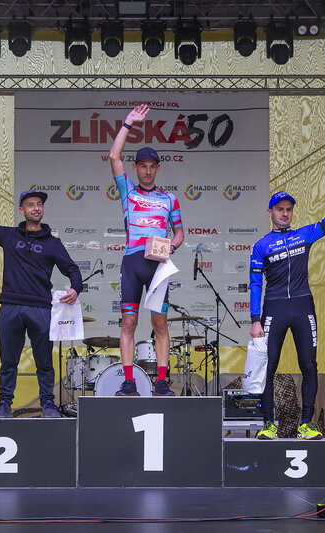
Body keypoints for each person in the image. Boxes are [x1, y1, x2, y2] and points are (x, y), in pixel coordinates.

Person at [250, 161, 325, 440]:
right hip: (274, 307)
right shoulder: (261, 246)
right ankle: (269, 424)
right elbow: (255, 283)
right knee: (268, 367)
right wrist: (255, 319)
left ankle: (306, 424)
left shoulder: (305, 234)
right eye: (280, 209)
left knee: (309, 366)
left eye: (289, 209)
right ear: (270, 213)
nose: (285, 213)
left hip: (303, 306)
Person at [0, 177, 82, 418]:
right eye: (30, 205)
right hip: (10, 306)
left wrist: (75, 288)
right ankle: (4, 403)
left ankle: (48, 404)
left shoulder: (53, 243)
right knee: (8, 361)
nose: (36, 208)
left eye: (39, 204)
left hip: (40, 308)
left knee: (44, 362)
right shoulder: (9, 236)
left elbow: (72, 269)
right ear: (22, 210)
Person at [108, 104, 185, 397]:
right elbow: (114, 156)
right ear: (136, 168)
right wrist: (128, 122)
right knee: (129, 322)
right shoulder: (128, 191)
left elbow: (179, 233)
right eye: (143, 166)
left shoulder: (170, 199)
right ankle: (128, 382)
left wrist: (170, 246)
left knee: (159, 323)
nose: (148, 171)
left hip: (157, 266)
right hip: (131, 263)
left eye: (153, 166)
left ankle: (162, 382)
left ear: (158, 169)